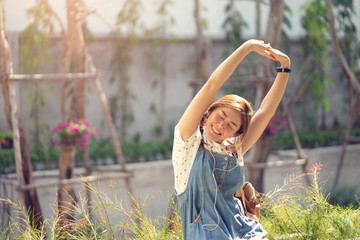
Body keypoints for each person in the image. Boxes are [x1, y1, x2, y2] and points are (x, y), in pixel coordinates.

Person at [172, 39, 291, 239]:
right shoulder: (188, 142)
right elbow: (212, 85)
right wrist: (247, 47)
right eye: (221, 116)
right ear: (209, 111)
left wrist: (285, 67)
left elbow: (266, 111)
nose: (221, 125)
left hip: (244, 233)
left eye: (231, 126)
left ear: (236, 133)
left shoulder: (233, 149)